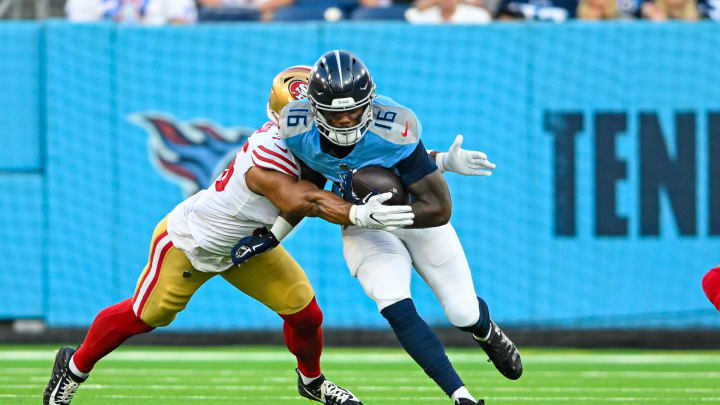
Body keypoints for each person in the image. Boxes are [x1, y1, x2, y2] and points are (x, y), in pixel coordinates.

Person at [42, 65, 415, 405]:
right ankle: (72, 368)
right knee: (145, 315)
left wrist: (440, 161)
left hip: (249, 244)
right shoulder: (268, 153)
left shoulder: (322, 141)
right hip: (193, 242)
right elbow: (304, 199)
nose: (328, 123)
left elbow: (361, 167)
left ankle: (311, 381)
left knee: (305, 313)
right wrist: (357, 213)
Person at [234, 50, 522, 405]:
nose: (346, 120)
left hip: (414, 214)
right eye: (336, 114)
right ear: (314, 109)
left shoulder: (394, 125)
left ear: (370, 102)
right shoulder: (296, 130)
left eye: (354, 110)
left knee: (462, 311)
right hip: (361, 222)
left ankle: (485, 330)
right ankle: (460, 396)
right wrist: (276, 233)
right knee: (393, 302)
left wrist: (426, 178)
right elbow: (309, 193)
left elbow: (440, 208)